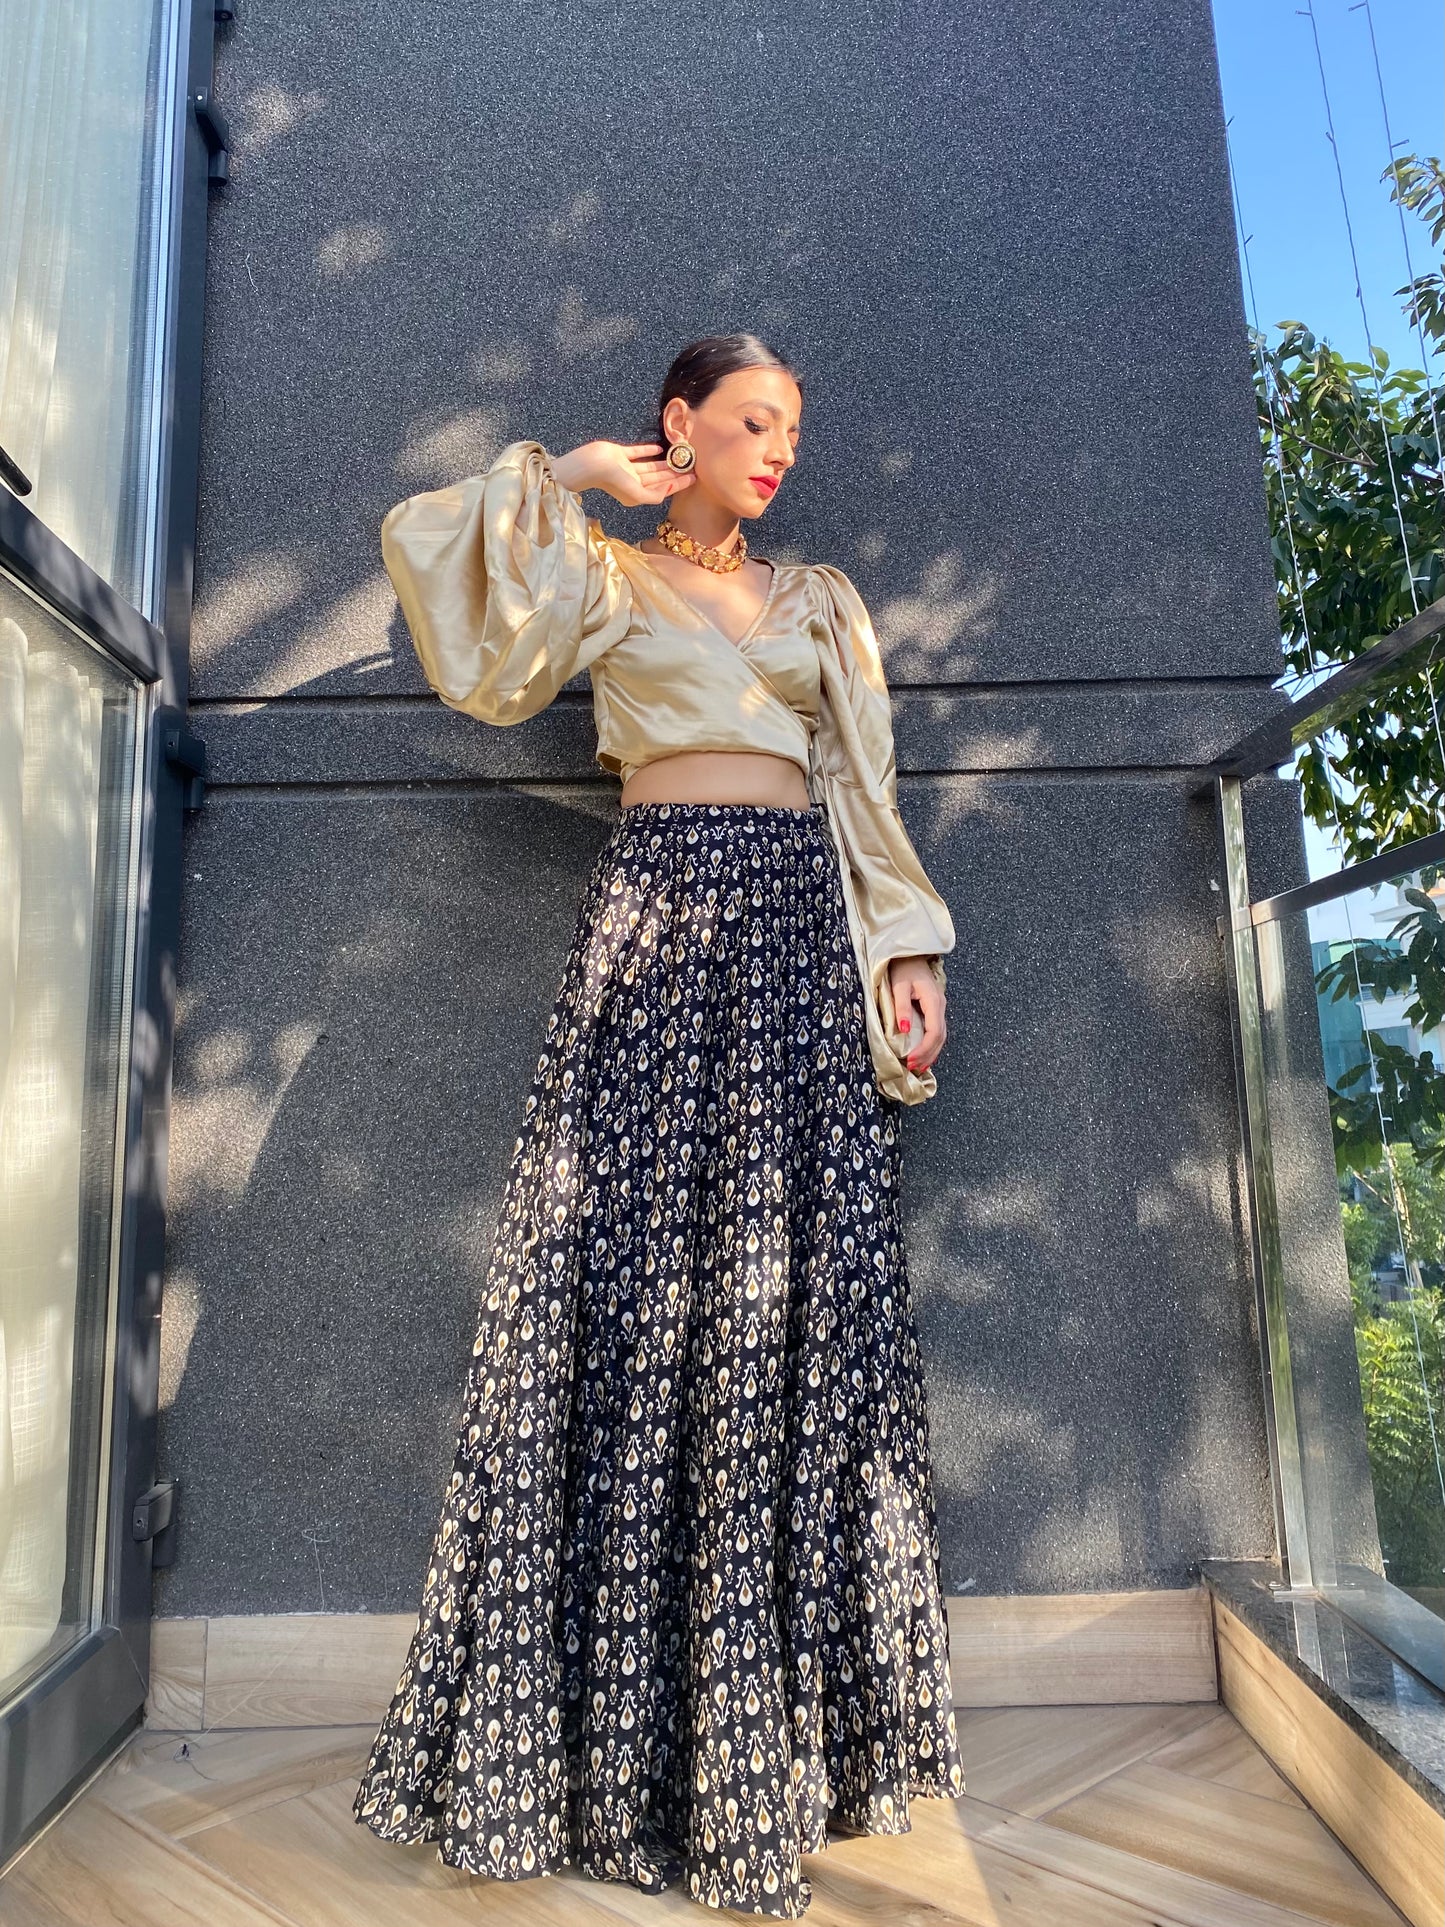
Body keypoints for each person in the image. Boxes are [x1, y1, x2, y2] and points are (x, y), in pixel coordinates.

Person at [352, 333, 966, 1917]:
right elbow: (458, 616)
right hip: (650, 934)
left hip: (793, 946)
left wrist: (903, 951)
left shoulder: (822, 602)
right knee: (617, 1302)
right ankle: (604, 1752)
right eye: (750, 420)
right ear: (679, 423)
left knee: (781, 1311)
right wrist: (561, 477)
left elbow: (864, 788)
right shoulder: (600, 573)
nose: (776, 449)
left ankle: (768, 1747)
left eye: (790, 429)